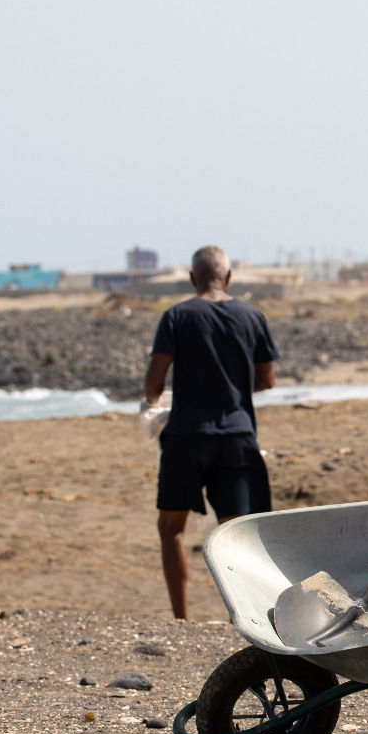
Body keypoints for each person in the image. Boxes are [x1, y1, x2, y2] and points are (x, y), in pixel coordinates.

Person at [142, 245, 278, 619]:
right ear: (228, 277)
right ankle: (246, 615)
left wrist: (156, 400)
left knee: (171, 527)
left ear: (192, 277)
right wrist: (230, 389)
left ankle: (181, 618)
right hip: (236, 437)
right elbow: (267, 379)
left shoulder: (176, 316)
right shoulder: (252, 315)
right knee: (236, 535)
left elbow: (154, 381)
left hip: (186, 436)